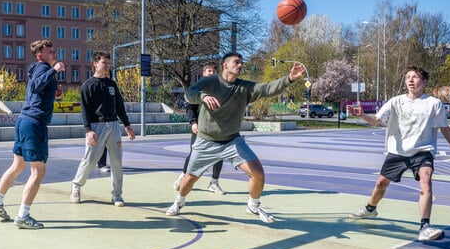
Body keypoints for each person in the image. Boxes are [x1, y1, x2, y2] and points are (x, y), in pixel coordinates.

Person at [167, 52, 306, 222]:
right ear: (225, 65)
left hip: (232, 141)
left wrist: (289, 79)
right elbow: (190, 93)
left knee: (258, 174)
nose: (240, 65)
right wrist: (204, 96)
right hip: (206, 141)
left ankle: (253, 206)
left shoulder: (244, 87)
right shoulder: (211, 81)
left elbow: (266, 88)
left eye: (241, 63)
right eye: (236, 62)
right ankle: (179, 202)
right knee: (189, 178)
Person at [348, 66, 450, 241]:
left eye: (415, 77)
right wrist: (362, 116)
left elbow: (445, 129)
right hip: (398, 151)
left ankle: (425, 226)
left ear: (424, 81)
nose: (410, 80)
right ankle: (370, 209)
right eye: (408, 77)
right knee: (381, 184)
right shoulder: (395, 101)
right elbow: (376, 121)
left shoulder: (434, 104)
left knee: (426, 181)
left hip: (423, 151)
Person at [0, 40, 65, 229]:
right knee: (38, 171)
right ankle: (23, 215)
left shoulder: (39, 69)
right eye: (50, 51)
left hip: (24, 121)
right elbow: (37, 85)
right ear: (40, 55)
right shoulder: (43, 68)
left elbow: (37, 89)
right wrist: (54, 71)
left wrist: (54, 92)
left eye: (54, 50)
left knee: (18, 165)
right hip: (34, 123)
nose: (54, 53)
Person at [69, 52, 136, 206]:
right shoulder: (88, 85)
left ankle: (116, 194)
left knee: (117, 161)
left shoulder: (112, 84)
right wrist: (88, 130)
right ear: (95, 64)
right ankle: (76, 186)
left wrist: (127, 125)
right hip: (96, 126)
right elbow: (85, 110)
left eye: (108, 63)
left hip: (113, 126)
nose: (107, 65)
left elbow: (119, 106)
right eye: (104, 62)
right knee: (90, 160)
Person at [174, 61, 225, 194]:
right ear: (203, 73)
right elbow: (190, 107)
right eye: (209, 71)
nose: (212, 73)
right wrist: (193, 123)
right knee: (194, 154)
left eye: (214, 71)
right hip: (200, 128)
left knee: (219, 154)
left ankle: (214, 183)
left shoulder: (221, 89)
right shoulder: (197, 88)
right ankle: (183, 176)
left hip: (217, 129)